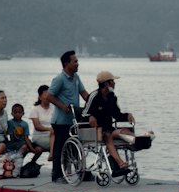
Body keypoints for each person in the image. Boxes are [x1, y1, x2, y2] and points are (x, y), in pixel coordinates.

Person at [48, 50, 89, 182]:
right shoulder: (59, 79)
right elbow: (49, 96)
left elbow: (83, 93)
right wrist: (61, 105)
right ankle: (57, 175)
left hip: (73, 120)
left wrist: (93, 102)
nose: (78, 64)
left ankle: (81, 172)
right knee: (60, 149)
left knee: (76, 146)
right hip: (60, 121)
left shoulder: (76, 78)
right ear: (67, 63)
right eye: (75, 61)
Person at [84, 71, 135, 178]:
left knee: (125, 131)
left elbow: (117, 115)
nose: (115, 83)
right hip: (94, 129)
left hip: (108, 128)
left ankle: (139, 143)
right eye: (113, 81)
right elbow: (84, 112)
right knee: (107, 135)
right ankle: (120, 163)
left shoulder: (112, 97)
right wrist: (90, 116)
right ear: (107, 84)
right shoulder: (94, 96)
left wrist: (127, 116)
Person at [6, 103, 45, 177]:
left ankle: (31, 163)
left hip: (25, 142)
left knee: (39, 149)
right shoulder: (10, 123)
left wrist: (32, 148)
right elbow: (11, 137)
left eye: (19, 112)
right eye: (15, 112)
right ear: (12, 113)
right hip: (15, 143)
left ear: (23, 113)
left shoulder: (25, 124)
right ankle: (18, 165)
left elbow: (26, 138)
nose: (17, 114)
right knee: (24, 148)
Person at [30, 85, 54, 160]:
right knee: (58, 145)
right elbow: (37, 126)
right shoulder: (35, 109)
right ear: (40, 97)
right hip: (39, 137)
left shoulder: (54, 108)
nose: (48, 97)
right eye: (45, 95)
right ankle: (52, 154)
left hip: (52, 135)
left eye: (49, 95)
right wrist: (49, 129)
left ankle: (59, 168)